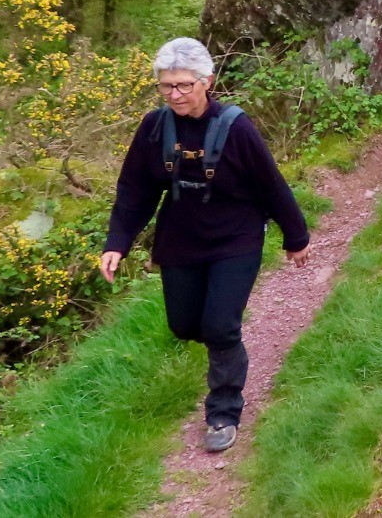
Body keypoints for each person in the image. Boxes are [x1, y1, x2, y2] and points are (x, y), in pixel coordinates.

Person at [100, 37, 311, 453]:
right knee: (183, 325)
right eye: (166, 86)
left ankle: (223, 412)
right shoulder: (155, 128)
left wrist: (296, 236)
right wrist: (117, 242)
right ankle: (224, 343)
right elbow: (135, 189)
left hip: (236, 237)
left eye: (184, 85)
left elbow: (270, 184)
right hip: (181, 238)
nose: (175, 94)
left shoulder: (236, 128)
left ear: (207, 81)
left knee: (219, 326)